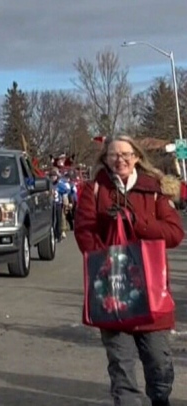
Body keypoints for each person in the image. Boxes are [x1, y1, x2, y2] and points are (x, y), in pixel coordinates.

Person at [74, 135, 184, 406]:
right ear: (105, 159)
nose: (120, 159)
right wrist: (107, 253)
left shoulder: (154, 189)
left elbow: (174, 234)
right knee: (122, 369)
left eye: (126, 154)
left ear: (136, 156)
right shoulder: (95, 189)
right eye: (113, 155)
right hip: (113, 290)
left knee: (159, 364)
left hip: (150, 291)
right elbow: (84, 232)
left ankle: (160, 400)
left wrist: (138, 223)